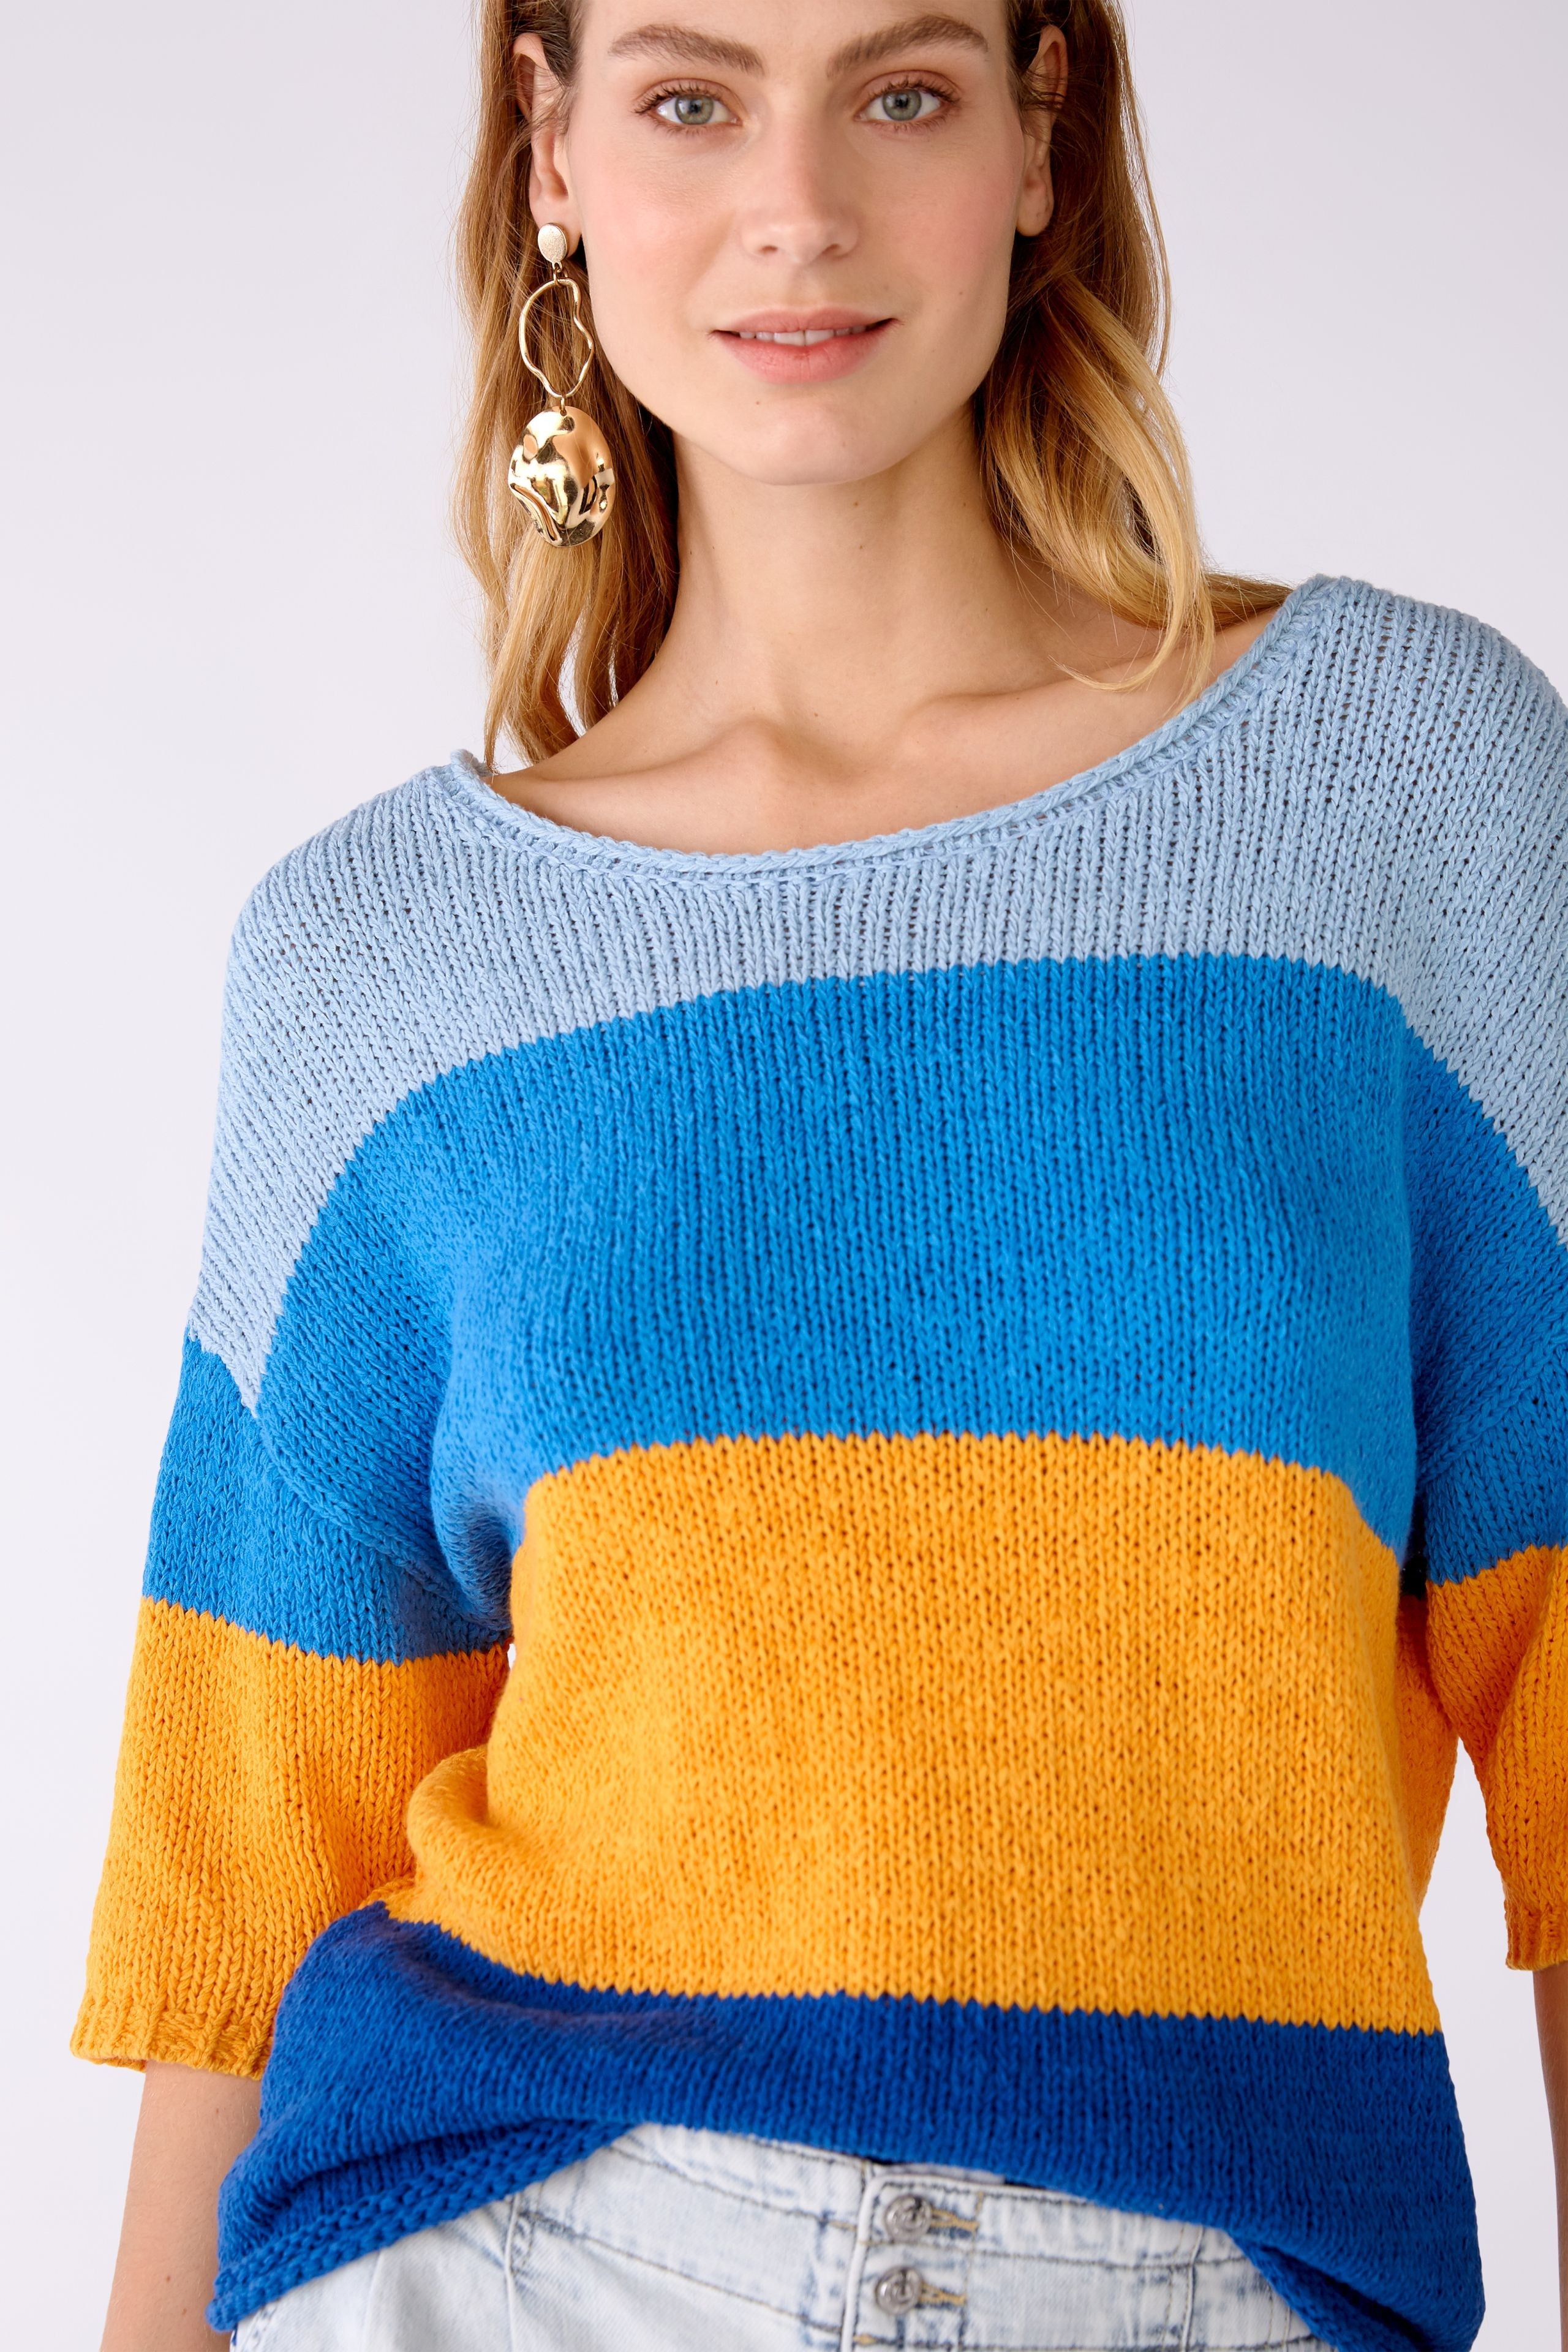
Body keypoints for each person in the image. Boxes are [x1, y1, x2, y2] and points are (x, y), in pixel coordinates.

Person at [83, 2, 1567, 2348]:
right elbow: (258, 1827)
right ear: (552, 149)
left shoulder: (1399, 791)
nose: (800, 207)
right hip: (509, 2264)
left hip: (1209, 2281)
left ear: (1041, 137)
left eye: (902, 94)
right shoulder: (385, 953)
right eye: (692, 101)